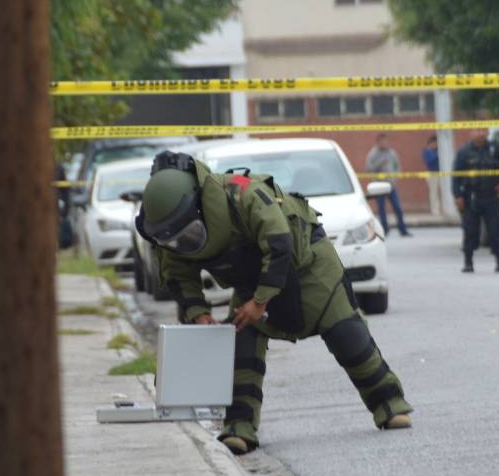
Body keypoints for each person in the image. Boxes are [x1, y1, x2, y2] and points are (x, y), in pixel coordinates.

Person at [136, 151, 414, 454]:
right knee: (242, 347)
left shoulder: (244, 194)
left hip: (308, 265)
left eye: (189, 233)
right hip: (251, 281)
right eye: (175, 240)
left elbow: (279, 244)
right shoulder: (169, 231)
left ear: (200, 207)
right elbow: (178, 276)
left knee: (346, 333)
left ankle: (390, 404)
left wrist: (260, 301)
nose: (183, 243)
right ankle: (239, 428)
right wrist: (199, 314)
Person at [451, 128, 499, 273]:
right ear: (471, 132)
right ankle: (468, 262)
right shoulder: (464, 151)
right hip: (471, 196)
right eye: (477, 130)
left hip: (491, 196)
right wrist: (457, 195)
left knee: (495, 229)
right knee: (470, 230)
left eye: (483, 130)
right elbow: (455, 175)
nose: (480, 133)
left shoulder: (495, 149)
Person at [365, 133, 411, 236]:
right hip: (379, 185)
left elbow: (397, 166)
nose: (384, 143)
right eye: (382, 141)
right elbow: (368, 168)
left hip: (390, 184)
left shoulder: (392, 153)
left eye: (385, 141)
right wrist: (379, 163)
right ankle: (385, 230)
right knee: (381, 209)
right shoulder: (373, 154)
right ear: (378, 142)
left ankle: (402, 229)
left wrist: (395, 178)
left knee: (397, 207)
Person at [421, 134, 442, 216]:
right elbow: (429, 161)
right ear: (430, 143)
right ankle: (435, 210)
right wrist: (437, 154)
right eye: (434, 143)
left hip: (441, 173)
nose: (436, 145)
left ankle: (444, 208)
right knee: (434, 192)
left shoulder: (439, 151)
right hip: (432, 173)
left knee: (443, 191)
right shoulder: (427, 151)